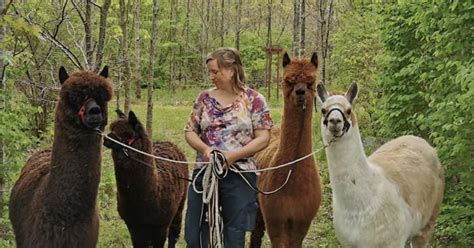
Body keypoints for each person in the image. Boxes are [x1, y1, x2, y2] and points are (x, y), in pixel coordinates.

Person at [184, 47, 273, 248]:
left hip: (240, 174)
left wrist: (234, 155)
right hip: (205, 172)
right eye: (210, 72)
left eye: (215, 71)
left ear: (231, 70)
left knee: (235, 234)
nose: (211, 76)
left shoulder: (254, 99)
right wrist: (206, 150)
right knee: (194, 234)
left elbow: (264, 137)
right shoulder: (204, 98)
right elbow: (190, 131)